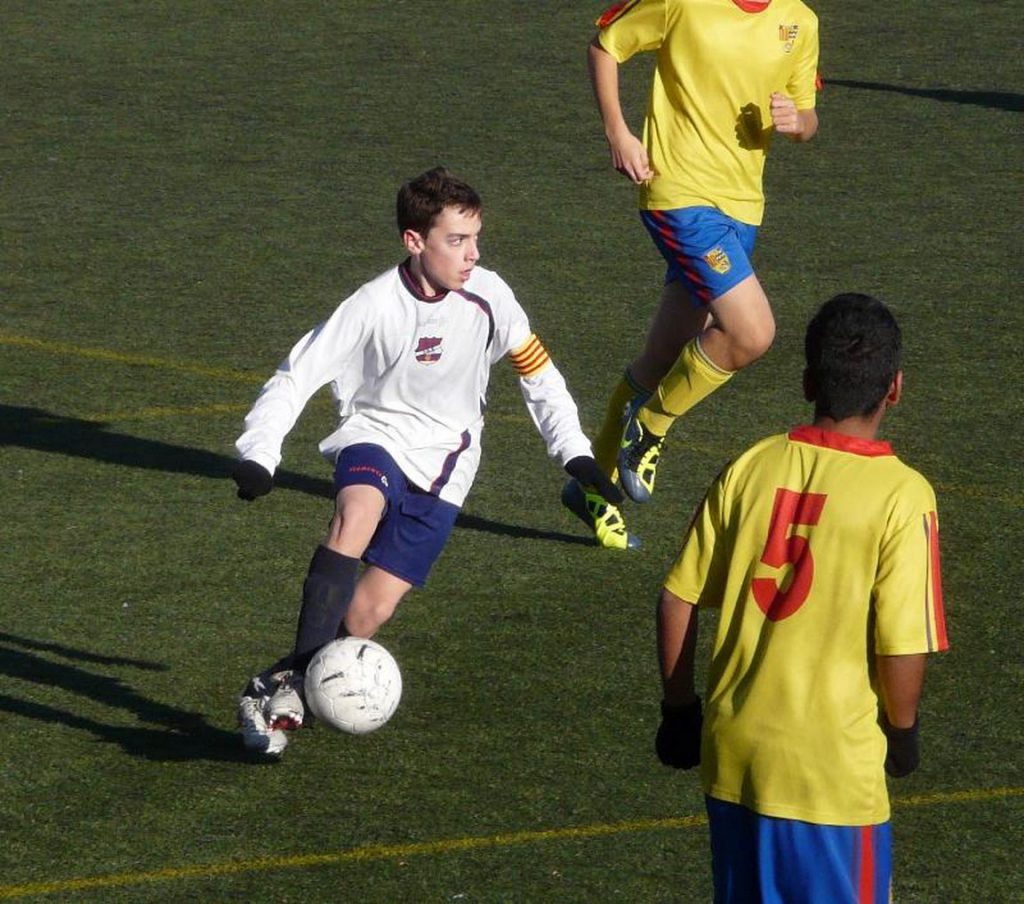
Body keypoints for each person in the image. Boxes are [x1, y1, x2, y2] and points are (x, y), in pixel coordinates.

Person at [231, 167, 629, 757]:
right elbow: (298, 375)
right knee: (357, 511)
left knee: (366, 616)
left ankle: (273, 685)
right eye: (456, 240)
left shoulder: (491, 297)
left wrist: (571, 450)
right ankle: (293, 687)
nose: (472, 255)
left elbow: (538, 375)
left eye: (475, 239)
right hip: (376, 437)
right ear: (414, 241)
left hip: (448, 465)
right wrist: (259, 454)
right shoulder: (371, 305)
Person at [654, 293, 949, 902]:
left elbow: (679, 597)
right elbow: (901, 649)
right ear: (894, 388)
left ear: (808, 380)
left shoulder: (750, 466)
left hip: (735, 759)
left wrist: (681, 711)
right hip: (832, 776)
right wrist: (903, 732)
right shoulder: (903, 495)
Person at [582, 0, 820, 518]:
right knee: (752, 332)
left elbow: (808, 118)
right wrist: (618, 133)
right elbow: (605, 46)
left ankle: (591, 482)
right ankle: (651, 427)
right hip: (679, 192)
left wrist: (795, 121)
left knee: (662, 356)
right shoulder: (681, 2)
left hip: (743, 206)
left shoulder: (800, 20)